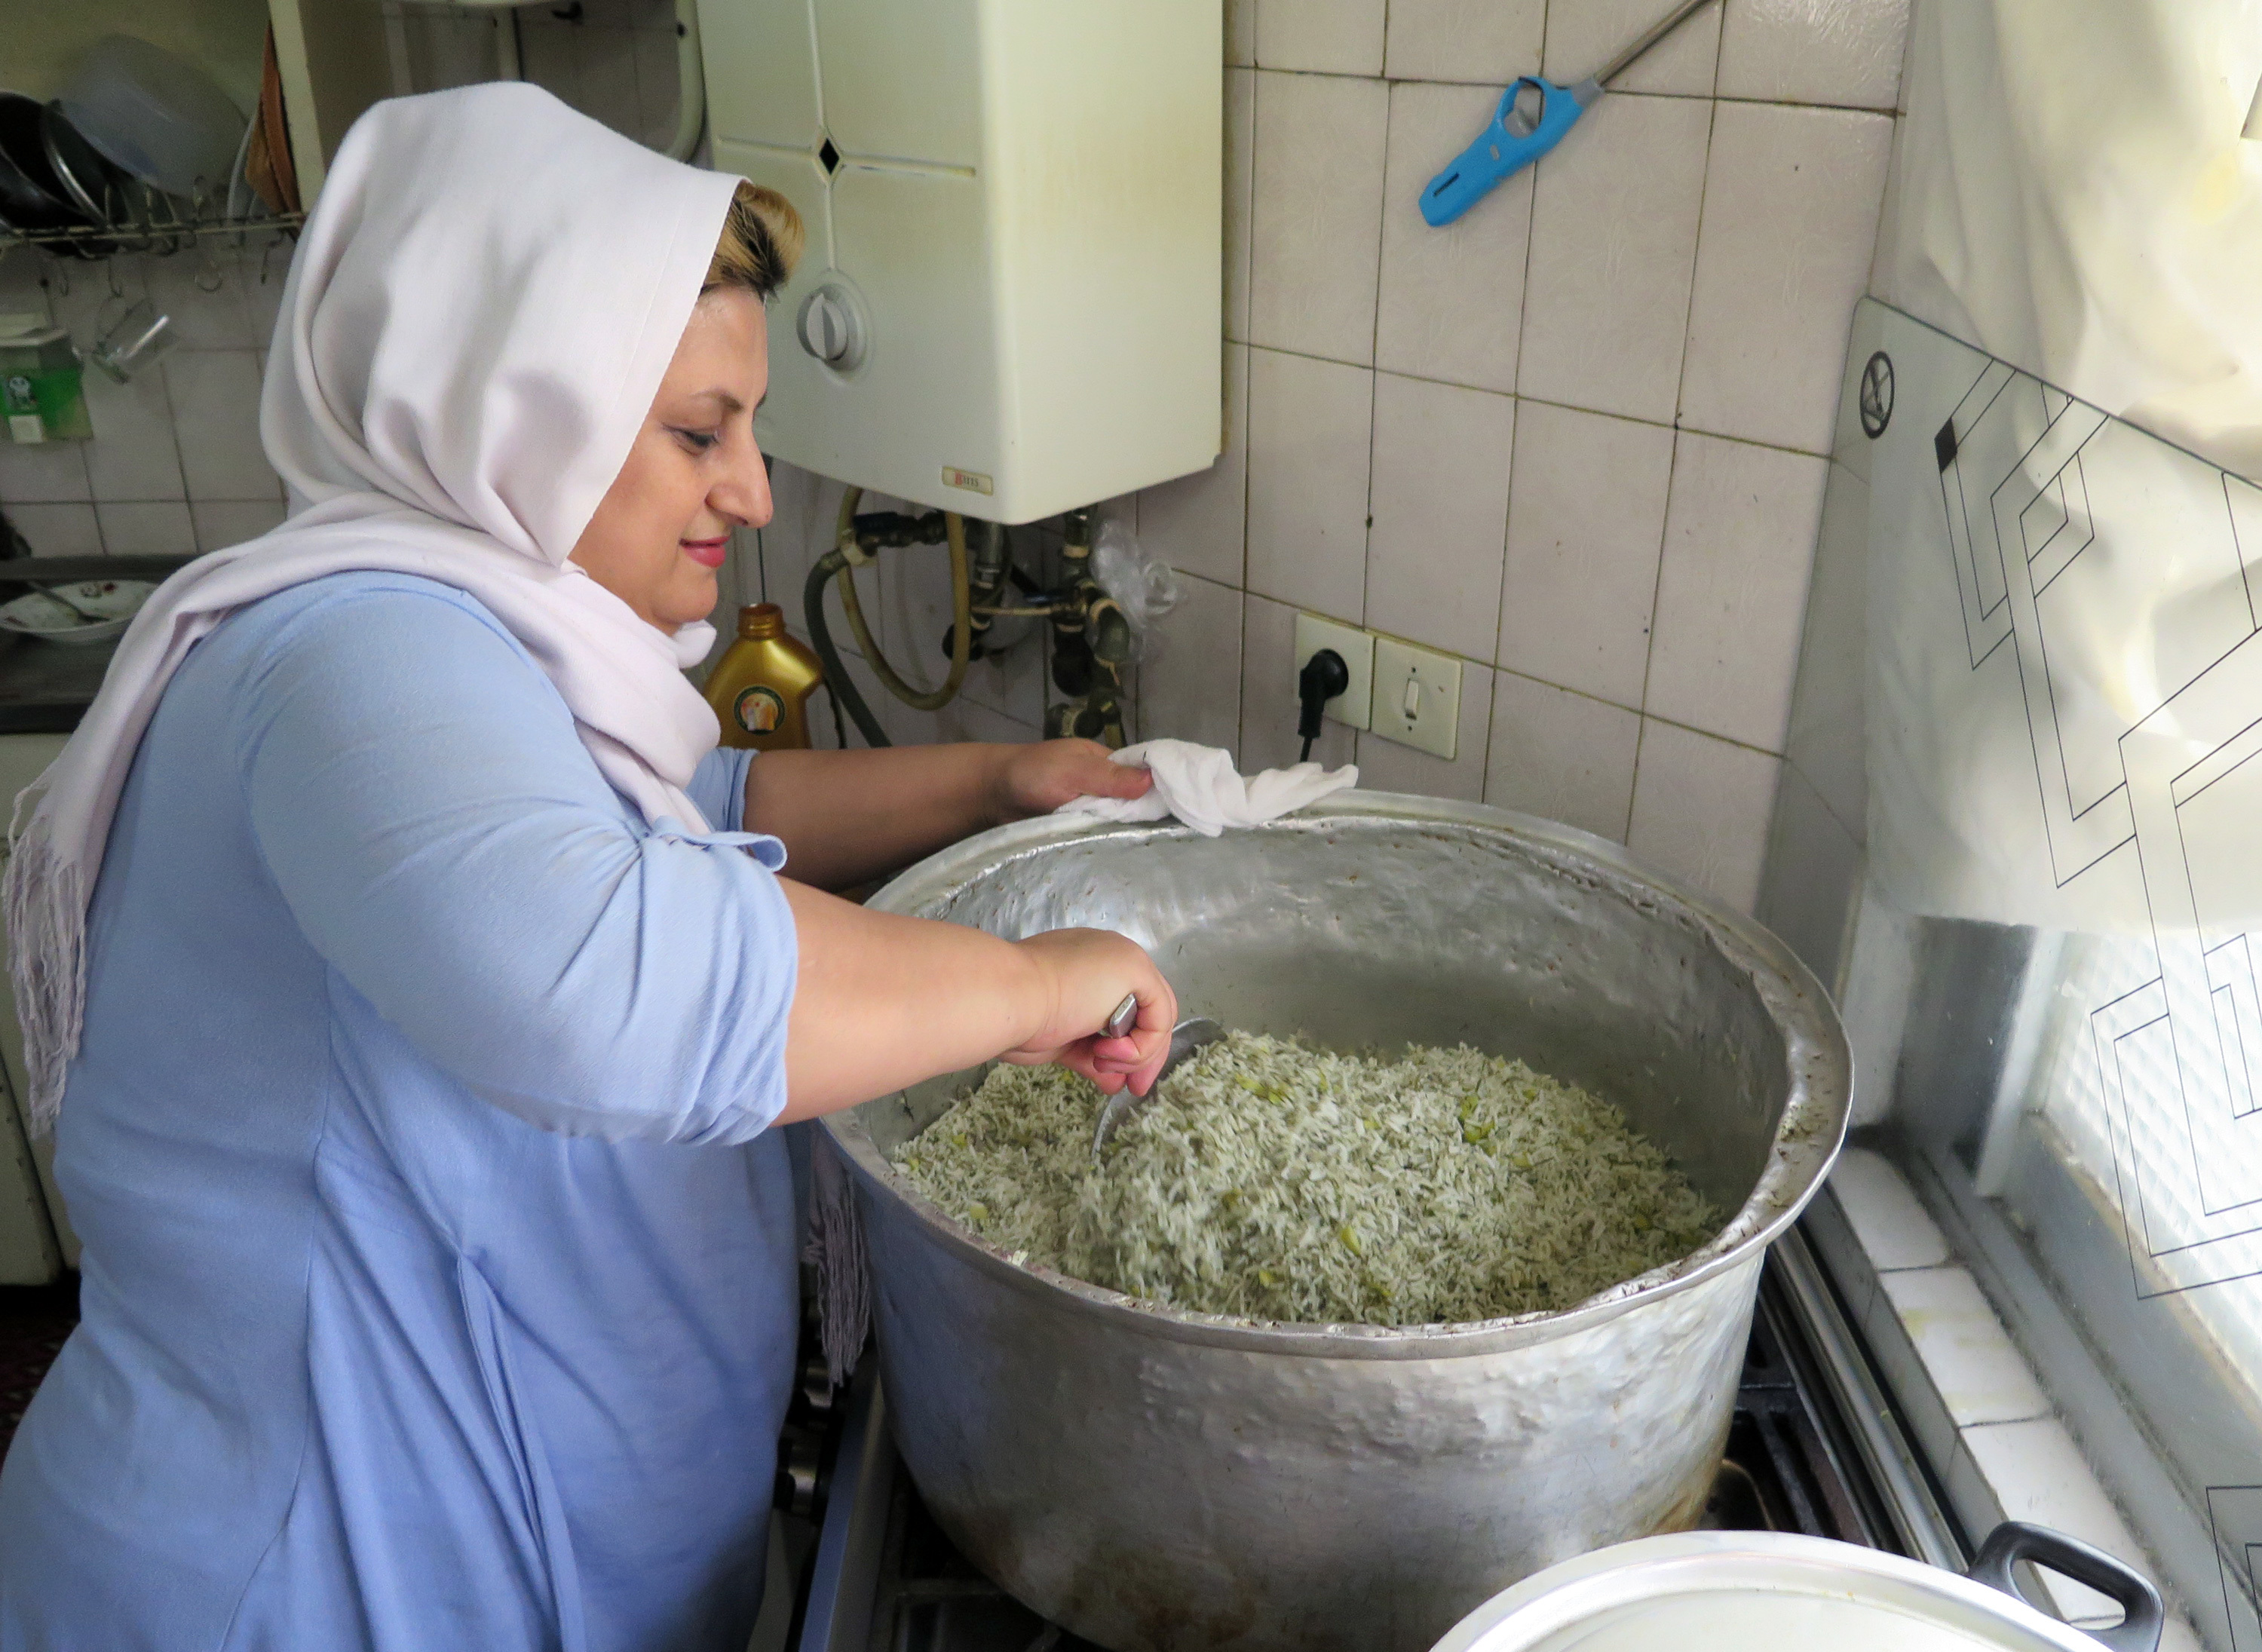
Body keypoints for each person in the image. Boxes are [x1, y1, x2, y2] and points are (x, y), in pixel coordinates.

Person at [0, 84, 1175, 1650]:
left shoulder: (488, 643)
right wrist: (1038, 986)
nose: (752, 491)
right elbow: (605, 980)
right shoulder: (354, 654)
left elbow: (692, 801)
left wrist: (989, 780)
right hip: (317, 1580)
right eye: (702, 430)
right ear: (508, 401)